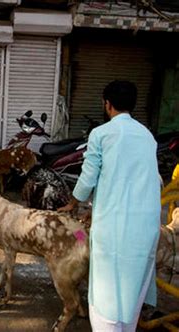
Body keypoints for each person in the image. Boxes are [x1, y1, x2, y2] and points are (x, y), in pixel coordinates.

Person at [58, 80, 161, 331]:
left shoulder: (101, 134)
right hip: (146, 226)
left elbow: (87, 178)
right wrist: (97, 206)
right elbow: (137, 182)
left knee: (106, 296)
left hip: (114, 229)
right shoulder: (147, 136)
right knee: (132, 291)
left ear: (107, 104)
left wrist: (72, 203)